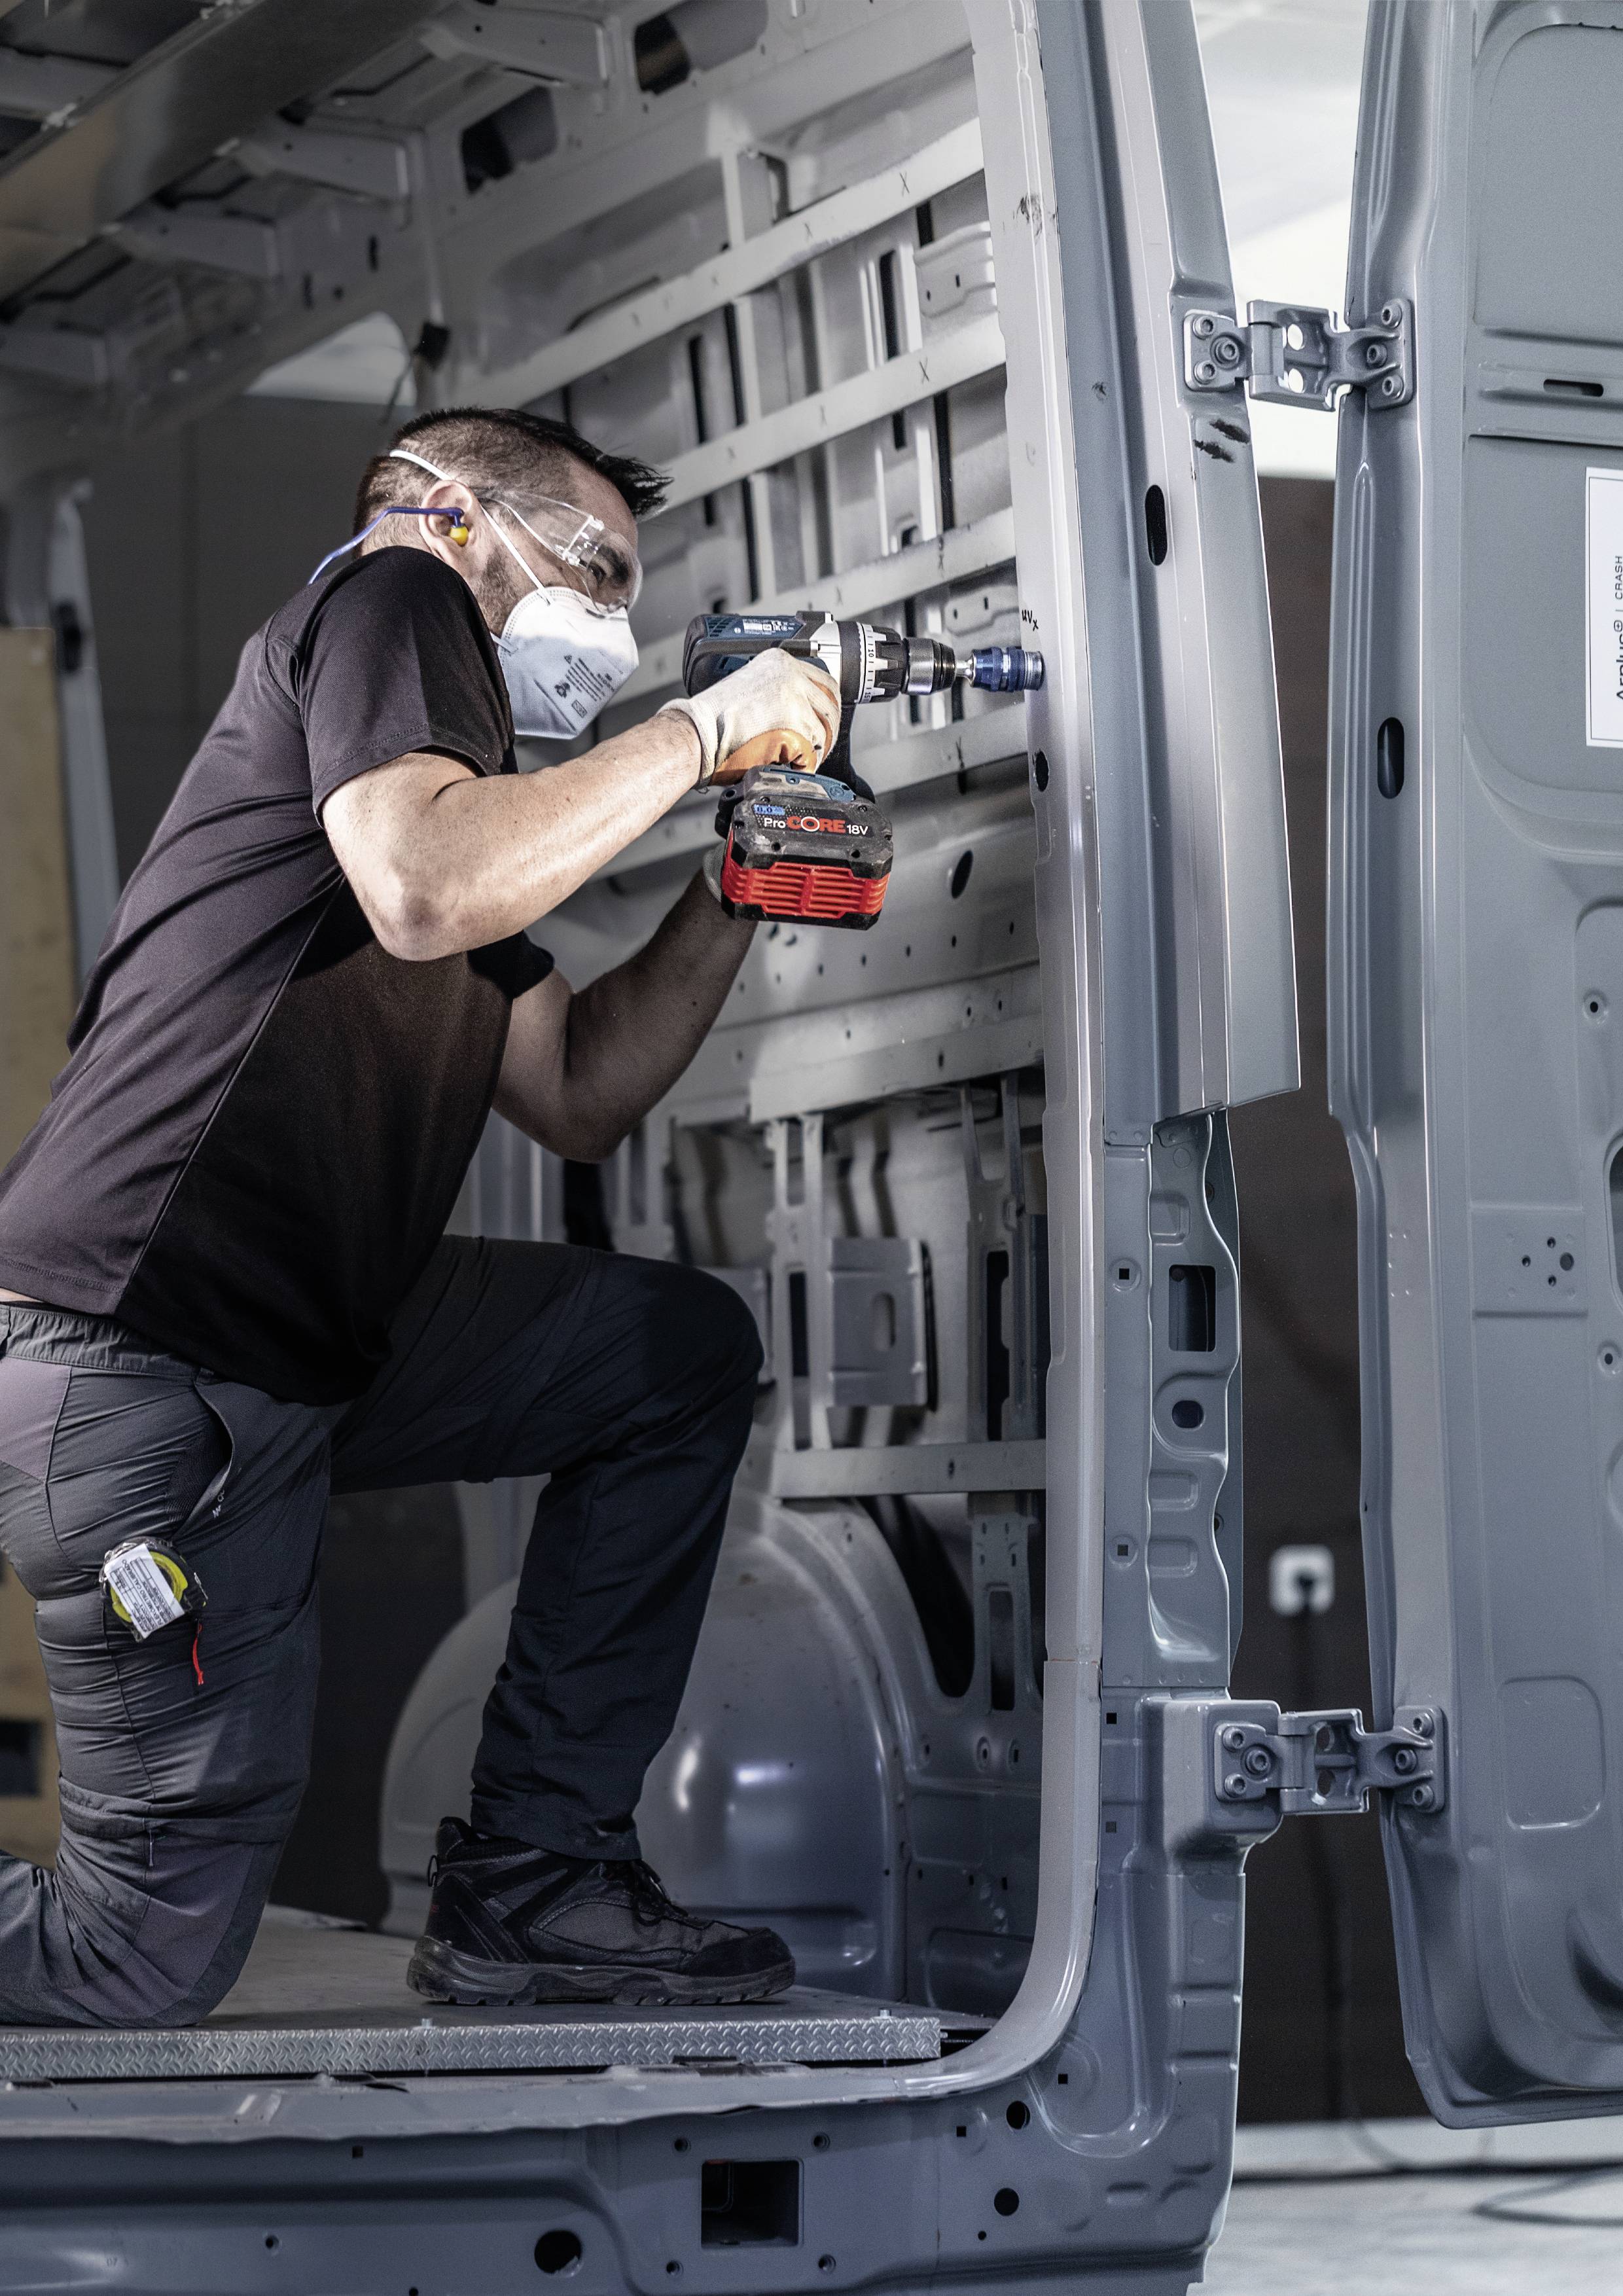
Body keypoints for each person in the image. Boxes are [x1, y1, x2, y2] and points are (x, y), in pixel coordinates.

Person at [0, 405, 841, 2026]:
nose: (608, 625)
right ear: (451, 514)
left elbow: (583, 1084)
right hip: (145, 1359)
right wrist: (702, 731)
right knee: (132, 1959)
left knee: (666, 1354)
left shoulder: (433, 786)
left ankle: (532, 1884)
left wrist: (744, 875)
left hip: (302, 1342)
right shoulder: (395, 604)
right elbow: (426, 886)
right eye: (595, 569)